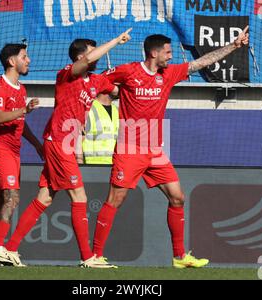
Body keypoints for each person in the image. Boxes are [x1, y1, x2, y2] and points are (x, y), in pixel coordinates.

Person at [92, 27, 250, 268]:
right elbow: (98, 81)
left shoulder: (169, 74)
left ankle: (179, 257)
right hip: (130, 148)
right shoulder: (129, 71)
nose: (171, 56)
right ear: (154, 53)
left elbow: (201, 63)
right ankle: (94, 256)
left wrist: (233, 46)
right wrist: (113, 93)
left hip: (155, 150)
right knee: (116, 199)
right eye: (168, 52)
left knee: (177, 197)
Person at [0, 29, 132, 268]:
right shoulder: (66, 75)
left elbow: (120, 91)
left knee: (45, 198)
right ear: (80, 56)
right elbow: (88, 61)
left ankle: (9, 249)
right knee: (79, 196)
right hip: (58, 141)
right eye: (92, 52)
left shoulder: (97, 80)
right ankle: (87, 257)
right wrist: (114, 42)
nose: (96, 56)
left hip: (67, 145)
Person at [0, 44, 43, 266]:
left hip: (14, 151)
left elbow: (19, 124)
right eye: (25, 57)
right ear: (12, 62)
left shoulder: (20, 89)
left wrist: (36, 144)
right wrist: (24, 109)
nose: (29, 60)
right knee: (11, 198)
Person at [80, 93, 119, 164]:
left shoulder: (116, 110)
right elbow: (77, 142)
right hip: (92, 167)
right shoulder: (88, 109)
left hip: (113, 167)